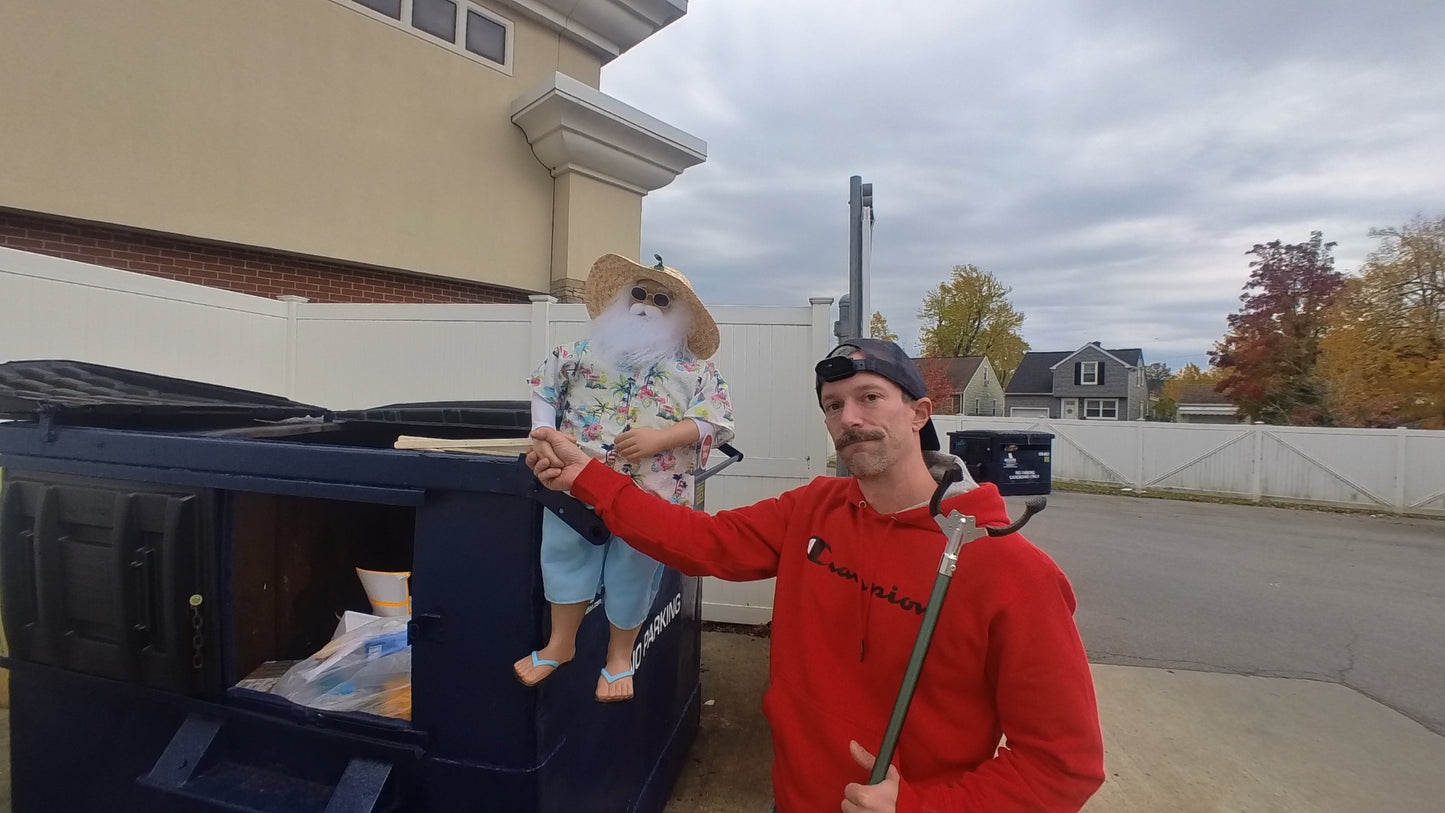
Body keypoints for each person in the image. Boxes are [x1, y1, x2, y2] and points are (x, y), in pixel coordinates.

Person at [528, 338, 1105, 811]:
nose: (849, 418)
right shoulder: (813, 510)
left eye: (870, 397)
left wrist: (923, 808)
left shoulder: (1009, 570)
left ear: (919, 413)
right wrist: (588, 477)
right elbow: (700, 542)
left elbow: (1063, 766)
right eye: (833, 405)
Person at [513, 253, 735, 703]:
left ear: (680, 314)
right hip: (576, 481)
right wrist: (543, 433)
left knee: (633, 568)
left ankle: (619, 657)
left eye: (661, 299)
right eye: (639, 293)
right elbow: (544, 387)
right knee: (563, 554)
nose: (646, 305)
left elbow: (715, 421)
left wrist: (661, 438)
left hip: (651, 490)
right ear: (621, 297)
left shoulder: (696, 371)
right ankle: (561, 644)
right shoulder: (579, 354)